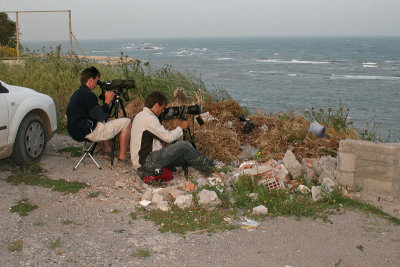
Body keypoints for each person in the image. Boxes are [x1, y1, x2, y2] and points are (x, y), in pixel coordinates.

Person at [130, 91, 215, 178]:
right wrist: (181, 128)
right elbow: (168, 138)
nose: (163, 111)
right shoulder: (148, 118)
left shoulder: (141, 115)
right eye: (162, 108)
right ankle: (212, 167)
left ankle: (207, 165)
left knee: (186, 156)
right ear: (156, 105)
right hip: (146, 163)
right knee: (184, 146)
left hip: (142, 161)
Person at [66, 66, 131, 163]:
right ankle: (122, 158)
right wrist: (107, 101)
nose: (97, 84)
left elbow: (96, 114)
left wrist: (103, 105)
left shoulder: (78, 93)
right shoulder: (88, 95)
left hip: (75, 130)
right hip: (86, 131)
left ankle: (107, 151)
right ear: (91, 80)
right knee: (127, 122)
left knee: (101, 122)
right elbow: (102, 116)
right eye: (97, 80)